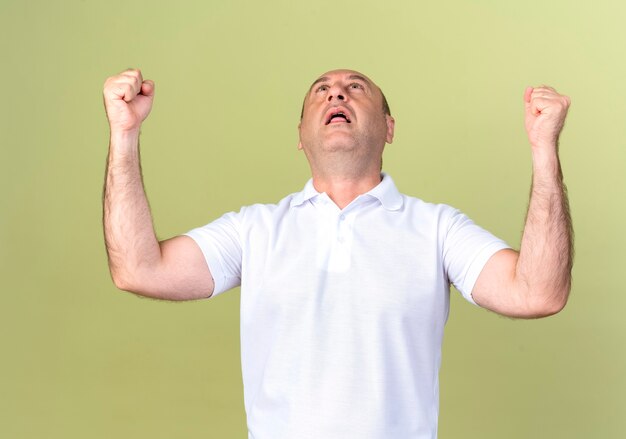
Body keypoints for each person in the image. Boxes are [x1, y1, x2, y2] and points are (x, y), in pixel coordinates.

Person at [102, 68, 572, 439]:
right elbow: (139, 269)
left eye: (355, 88)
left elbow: (537, 293)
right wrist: (124, 134)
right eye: (320, 91)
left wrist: (543, 150)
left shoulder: (437, 229)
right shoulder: (254, 230)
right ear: (300, 135)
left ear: (389, 128)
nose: (337, 95)